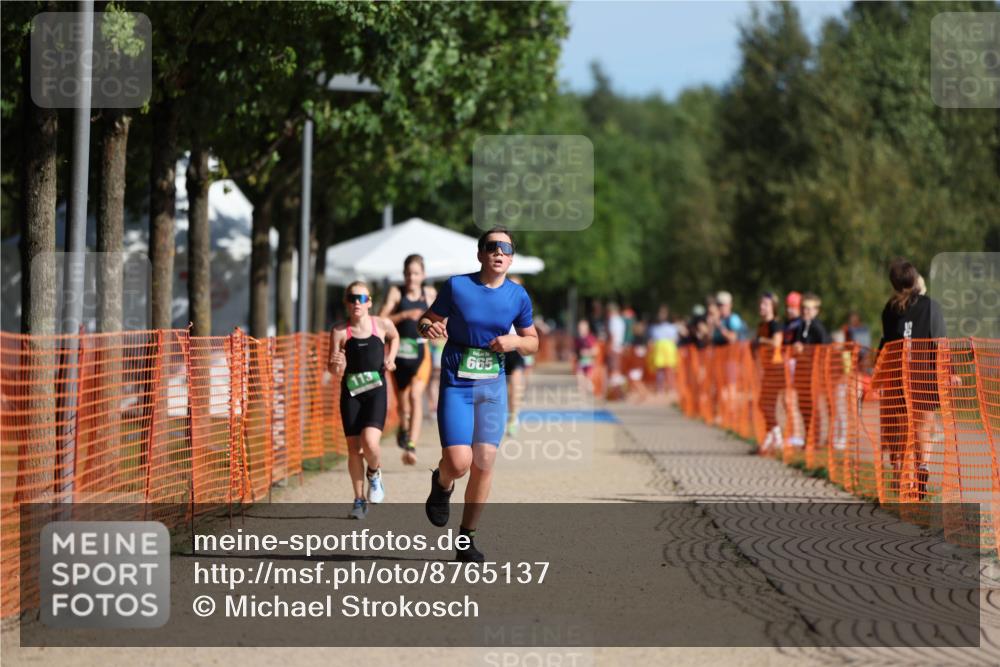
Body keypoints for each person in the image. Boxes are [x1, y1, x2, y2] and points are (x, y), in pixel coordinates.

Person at [417, 226, 538, 562]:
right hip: (457, 382)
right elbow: (425, 321)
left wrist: (514, 341)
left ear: (512, 257)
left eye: (506, 248)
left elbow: (533, 342)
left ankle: (467, 540)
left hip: (491, 386)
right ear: (480, 253)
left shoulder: (518, 297)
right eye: (492, 246)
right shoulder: (457, 286)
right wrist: (430, 327)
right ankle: (442, 484)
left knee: (484, 461)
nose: (499, 252)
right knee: (459, 463)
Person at [876, 259, 948, 500]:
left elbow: (887, 343)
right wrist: (950, 373)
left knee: (898, 426)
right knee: (923, 426)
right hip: (924, 374)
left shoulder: (890, 309)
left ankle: (898, 472)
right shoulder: (930, 306)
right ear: (916, 279)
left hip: (897, 374)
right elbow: (940, 343)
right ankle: (922, 467)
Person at [328, 281, 399, 520]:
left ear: (369, 302)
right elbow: (332, 366)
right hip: (351, 393)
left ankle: (375, 473)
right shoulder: (339, 331)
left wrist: (391, 357)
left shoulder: (381, 324)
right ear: (347, 302)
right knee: (353, 449)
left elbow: (395, 336)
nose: (356, 302)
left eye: (361, 298)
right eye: (352, 298)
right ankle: (359, 500)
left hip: (376, 391)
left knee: (370, 442)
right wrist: (336, 364)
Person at [379, 255, 437, 465]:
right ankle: (403, 426)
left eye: (416, 273)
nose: (412, 278)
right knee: (403, 404)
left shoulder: (429, 294)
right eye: (408, 274)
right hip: (398, 352)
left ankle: (411, 446)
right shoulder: (396, 292)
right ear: (404, 275)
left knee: (415, 396)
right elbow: (381, 318)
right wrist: (404, 315)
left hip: (421, 352)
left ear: (423, 275)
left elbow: (442, 319)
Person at [789, 292, 830, 447]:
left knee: (812, 406)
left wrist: (804, 350)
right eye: (803, 308)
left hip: (813, 372)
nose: (805, 311)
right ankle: (808, 437)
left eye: (809, 309)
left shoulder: (817, 327)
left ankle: (816, 438)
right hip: (802, 372)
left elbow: (823, 348)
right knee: (803, 406)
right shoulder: (800, 326)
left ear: (816, 310)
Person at [756, 292, 784, 452]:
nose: (762, 307)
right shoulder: (761, 326)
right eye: (761, 304)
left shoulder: (775, 324)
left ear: (773, 307)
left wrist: (761, 341)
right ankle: (771, 435)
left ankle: (777, 437)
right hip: (766, 368)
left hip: (776, 367)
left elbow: (776, 343)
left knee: (767, 403)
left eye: (765, 304)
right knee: (764, 404)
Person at [648, 305, 679, 397]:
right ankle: (660, 388)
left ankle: (671, 388)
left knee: (669, 370)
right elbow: (652, 340)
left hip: (668, 349)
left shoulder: (672, 327)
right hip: (658, 350)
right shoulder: (654, 328)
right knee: (659, 370)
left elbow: (674, 339)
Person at [574, 318, 598, 394]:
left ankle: (592, 395)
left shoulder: (590, 338)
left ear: (587, 329)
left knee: (588, 383)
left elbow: (595, 351)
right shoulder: (577, 339)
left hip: (589, 362)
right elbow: (576, 351)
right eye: (580, 328)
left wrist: (587, 352)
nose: (581, 330)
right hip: (581, 362)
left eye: (582, 328)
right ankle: (582, 398)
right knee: (580, 381)